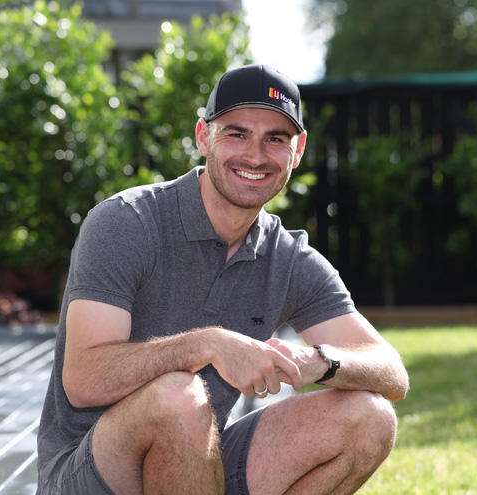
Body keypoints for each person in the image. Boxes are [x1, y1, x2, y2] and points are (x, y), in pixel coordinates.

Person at [36, 64, 410, 495]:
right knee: (179, 396)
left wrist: (318, 362)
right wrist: (205, 344)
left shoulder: (286, 258)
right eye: (237, 133)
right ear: (203, 136)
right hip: (91, 472)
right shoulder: (127, 221)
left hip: (192, 467)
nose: (255, 156)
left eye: (275, 139)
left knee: (370, 418)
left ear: (299, 150)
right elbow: (83, 380)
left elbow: (392, 371)